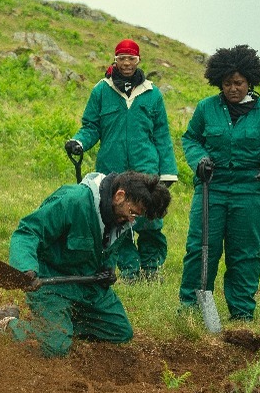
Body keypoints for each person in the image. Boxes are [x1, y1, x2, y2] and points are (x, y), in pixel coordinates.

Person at [0, 171, 171, 357]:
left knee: (120, 331)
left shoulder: (121, 218)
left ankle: (59, 325)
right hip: (51, 284)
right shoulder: (73, 201)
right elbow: (28, 231)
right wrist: (26, 269)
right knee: (54, 346)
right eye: (133, 212)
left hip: (88, 286)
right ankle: (4, 322)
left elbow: (108, 248)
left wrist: (107, 269)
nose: (133, 219)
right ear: (119, 196)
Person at [178, 45, 260, 322]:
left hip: (249, 191)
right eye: (227, 83)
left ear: (250, 81)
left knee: (245, 254)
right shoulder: (206, 108)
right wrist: (199, 159)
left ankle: (241, 313)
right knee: (201, 248)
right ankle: (192, 307)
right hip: (210, 189)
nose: (233, 89)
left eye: (238, 83)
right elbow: (191, 139)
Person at [64, 39, 178, 282]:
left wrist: (167, 172)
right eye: (122, 58)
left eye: (131, 58)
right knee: (118, 219)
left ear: (138, 61)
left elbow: (161, 134)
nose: (126, 63)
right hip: (112, 169)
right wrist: (79, 142)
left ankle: (152, 268)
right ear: (114, 60)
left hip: (146, 168)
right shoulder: (101, 90)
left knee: (149, 221)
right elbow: (91, 126)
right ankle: (129, 271)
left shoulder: (152, 93)